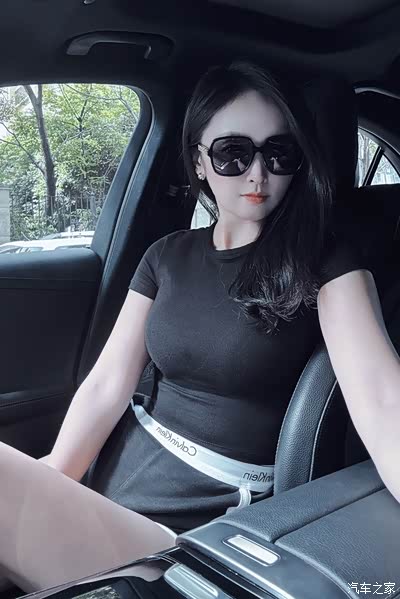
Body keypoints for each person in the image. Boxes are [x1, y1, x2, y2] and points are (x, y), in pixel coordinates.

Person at [0, 61, 398, 593]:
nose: (258, 174)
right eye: (233, 153)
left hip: (192, 536)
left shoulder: (327, 264)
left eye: (279, 153)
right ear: (200, 162)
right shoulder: (166, 256)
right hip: (111, 483)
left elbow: (383, 401)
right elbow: (107, 384)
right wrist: (55, 476)